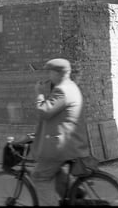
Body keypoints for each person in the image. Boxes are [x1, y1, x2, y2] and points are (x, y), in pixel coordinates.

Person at [31, 58, 90, 206]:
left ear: (57, 73)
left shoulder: (62, 90)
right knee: (57, 174)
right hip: (70, 143)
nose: (49, 76)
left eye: (50, 72)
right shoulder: (72, 87)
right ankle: (74, 197)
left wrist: (39, 94)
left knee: (40, 177)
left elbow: (44, 112)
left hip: (59, 146)